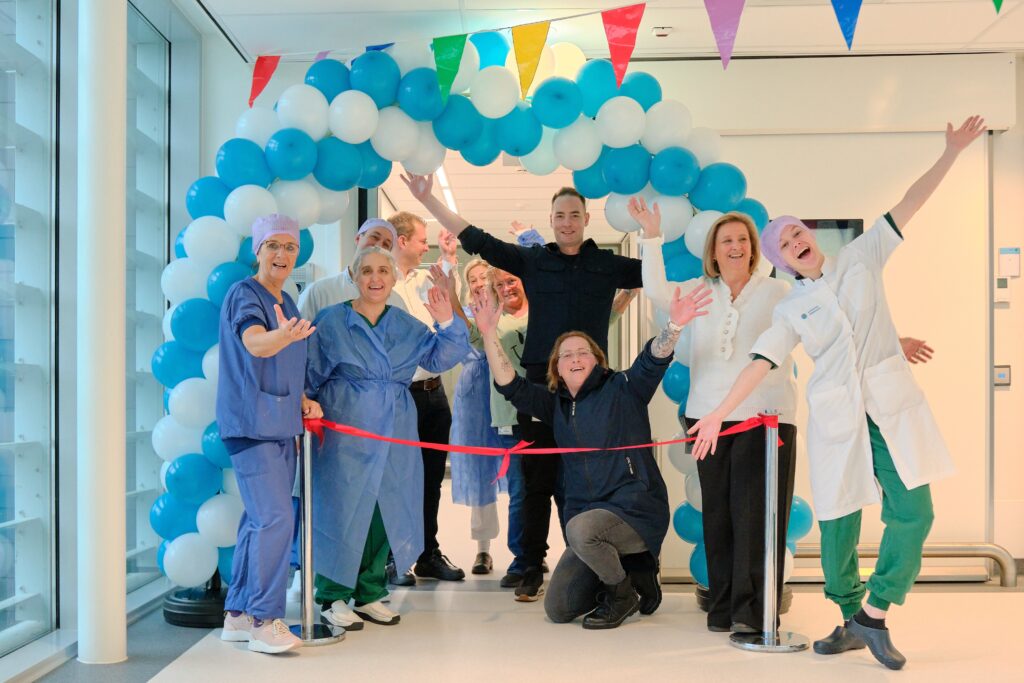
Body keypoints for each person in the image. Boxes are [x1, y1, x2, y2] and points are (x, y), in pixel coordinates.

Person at [688, 116, 985, 669]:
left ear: (810, 236)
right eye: (781, 242)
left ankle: (875, 611)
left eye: (797, 231)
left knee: (915, 513)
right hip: (836, 418)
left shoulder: (861, 258)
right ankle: (849, 617)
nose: (794, 241)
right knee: (838, 527)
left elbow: (909, 202)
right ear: (775, 260)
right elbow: (759, 362)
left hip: (888, 409)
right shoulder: (788, 306)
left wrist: (951, 153)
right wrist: (717, 415)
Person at [403, 174, 644, 600]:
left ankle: (588, 563)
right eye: (560, 216)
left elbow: (657, 274)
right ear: (550, 221)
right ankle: (531, 563)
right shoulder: (534, 261)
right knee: (534, 481)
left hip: (592, 391)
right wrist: (430, 201)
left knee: (587, 482)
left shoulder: (608, 267)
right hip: (540, 387)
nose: (567, 222)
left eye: (574, 215)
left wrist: (658, 233)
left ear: (586, 219)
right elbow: (478, 239)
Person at [474, 282, 712, 628]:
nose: (574, 358)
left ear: (597, 360)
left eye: (582, 352)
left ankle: (623, 591)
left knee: (581, 530)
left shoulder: (624, 388)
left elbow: (653, 360)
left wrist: (674, 327)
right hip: (588, 520)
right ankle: (630, 571)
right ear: (556, 367)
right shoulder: (554, 404)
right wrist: (488, 333)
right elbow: (510, 384)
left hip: (634, 511)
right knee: (558, 609)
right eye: (566, 355)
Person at [633, 202, 799, 634]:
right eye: (727, 240)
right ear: (713, 250)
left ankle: (754, 611)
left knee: (757, 517)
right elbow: (653, 288)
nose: (736, 246)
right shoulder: (699, 289)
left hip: (765, 419)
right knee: (719, 515)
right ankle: (724, 605)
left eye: (743, 239)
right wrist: (651, 234)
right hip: (706, 418)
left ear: (753, 248)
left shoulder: (777, 292)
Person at [306, 246, 470, 628]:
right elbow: (310, 371)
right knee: (342, 509)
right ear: (353, 276)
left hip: (394, 425)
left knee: (385, 508)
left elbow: (440, 356)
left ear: (394, 278)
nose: (375, 278)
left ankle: (369, 591)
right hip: (345, 425)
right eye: (366, 271)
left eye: (383, 270)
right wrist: (304, 403)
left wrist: (447, 321)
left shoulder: (406, 325)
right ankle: (332, 595)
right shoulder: (332, 320)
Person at [216, 214, 319, 654]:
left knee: (257, 522)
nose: (282, 254)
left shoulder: (289, 300)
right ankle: (265, 618)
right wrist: (279, 336)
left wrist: (301, 400)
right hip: (252, 425)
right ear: (257, 250)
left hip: (281, 423)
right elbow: (256, 344)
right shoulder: (246, 293)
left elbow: (284, 365)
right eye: (273, 246)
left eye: (290, 247)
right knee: (276, 518)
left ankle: (238, 614)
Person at [387, 211, 466, 583]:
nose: (426, 246)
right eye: (422, 240)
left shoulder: (424, 279)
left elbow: (451, 305)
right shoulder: (379, 281)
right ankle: (391, 557)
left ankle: (426, 553)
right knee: (394, 479)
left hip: (433, 395)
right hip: (397, 396)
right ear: (401, 241)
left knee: (431, 479)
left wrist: (449, 258)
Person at [448, 258, 506, 575]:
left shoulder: (508, 309)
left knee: (525, 469)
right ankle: (483, 550)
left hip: (507, 390)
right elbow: (470, 338)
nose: (479, 282)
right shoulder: (464, 317)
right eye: (472, 278)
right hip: (474, 396)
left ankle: (529, 549)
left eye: (484, 276)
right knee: (481, 471)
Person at [297, 217, 404, 321]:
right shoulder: (321, 291)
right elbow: (297, 335)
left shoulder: (396, 302)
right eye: (375, 237)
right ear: (358, 238)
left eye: (386, 244)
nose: (378, 246)